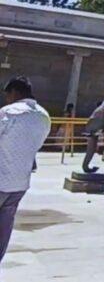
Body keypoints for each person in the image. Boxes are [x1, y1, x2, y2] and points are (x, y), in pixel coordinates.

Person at [0, 77, 52, 267]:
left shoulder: (8, 113)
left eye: (8, 95)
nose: (7, 99)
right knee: (5, 226)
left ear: (15, 92)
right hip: (20, 183)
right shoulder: (44, 116)